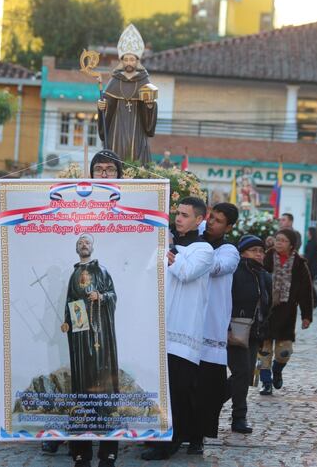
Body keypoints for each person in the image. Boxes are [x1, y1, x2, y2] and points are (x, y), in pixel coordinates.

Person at [57, 149, 124, 467]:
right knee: (82, 378)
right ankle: (80, 447)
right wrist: (72, 324)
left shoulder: (102, 270)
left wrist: (102, 298)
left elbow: (112, 294)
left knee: (103, 379)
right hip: (84, 336)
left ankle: (109, 446)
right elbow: (71, 303)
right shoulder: (74, 272)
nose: (104, 174)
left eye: (110, 169)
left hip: (103, 333)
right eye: (99, 169)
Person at [142, 197, 213, 461]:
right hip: (159, 325)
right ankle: (156, 434)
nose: (178, 219)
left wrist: (171, 254)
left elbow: (187, 272)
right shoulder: (166, 246)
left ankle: (173, 439)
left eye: (185, 215)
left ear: (199, 219)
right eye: (177, 214)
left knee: (179, 389)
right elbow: (149, 273)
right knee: (158, 387)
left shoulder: (204, 250)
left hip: (184, 330)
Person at [190, 202, 239, 454]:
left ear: (229, 226)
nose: (211, 223)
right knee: (182, 385)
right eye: (211, 217)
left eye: (219, 221)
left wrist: (185, 256)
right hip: (185, 322)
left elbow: (218, 267)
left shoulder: (229, 251)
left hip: (210, 328)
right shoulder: (193, 233)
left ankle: (198, 437)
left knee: (207, 389)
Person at [258, 229, 314, 395]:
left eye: (283, 240)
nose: (279, 243)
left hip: (287, 312)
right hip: (266, 310)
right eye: (277, 239)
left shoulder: (299, 264)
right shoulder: (266, 258)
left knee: (284, 351)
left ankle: (277, 369)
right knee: (263, 351)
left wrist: (307, 316)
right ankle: (266, 382)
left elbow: (306, 291)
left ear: (291, 245)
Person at [227, 235, 271, 434]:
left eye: (261, 251)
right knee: (241, 372)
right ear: (242, 252)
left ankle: (211, 406)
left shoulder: (264, 275)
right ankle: (238, 417)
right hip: (234, 331)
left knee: (244, 376)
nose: (259, 255)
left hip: (254, 333)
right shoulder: (235, 272)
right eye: (254, 250)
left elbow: (267, 306)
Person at [97, 24, 157, 163]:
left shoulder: (144, 81)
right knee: (116, 159)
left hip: (137, 132)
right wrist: (102, 107)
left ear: (137, 61)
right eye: (126, 59)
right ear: (122, 61)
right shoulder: (114, 81)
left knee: (137, 161)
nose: (129, 62)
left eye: (132, 59)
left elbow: (149, 117)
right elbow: (107, 108)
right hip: (117, 132)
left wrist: (149, 106)